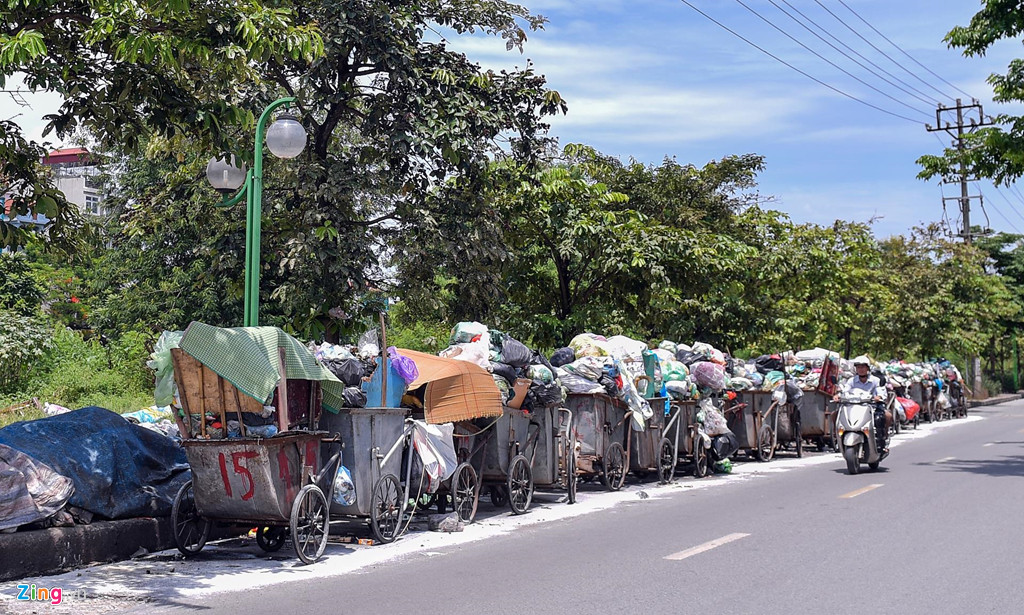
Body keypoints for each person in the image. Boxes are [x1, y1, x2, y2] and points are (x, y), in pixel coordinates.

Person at [834, 356, 887, 454]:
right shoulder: (851, 381)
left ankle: (881, 442)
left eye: (863, 367)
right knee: (835, 414)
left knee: (883, 417)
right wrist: (838, 396)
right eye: (858, 367)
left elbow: (881, 392)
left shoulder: (875, 380)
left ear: (868, 368)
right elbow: (845, 391)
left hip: (871, 407)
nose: (861, 369)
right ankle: (837, 439)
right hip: (853, 407)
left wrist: (878, 397)